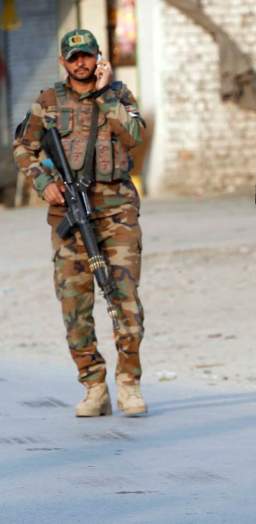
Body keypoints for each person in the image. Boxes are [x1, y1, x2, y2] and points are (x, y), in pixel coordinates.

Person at [12, 29, 147, 417]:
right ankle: (93, 385)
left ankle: (128, 383)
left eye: (87, 56)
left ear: (98, 58)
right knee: (74, 305)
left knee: (125, 301)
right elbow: (23, 145)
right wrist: (43, 182)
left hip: (117, 214)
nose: (81, 64)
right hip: (69, 217)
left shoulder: (118, 96)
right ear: (63, 63)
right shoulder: (49, 102)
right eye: (74, 58)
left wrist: (104, 95)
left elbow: (134, 135)